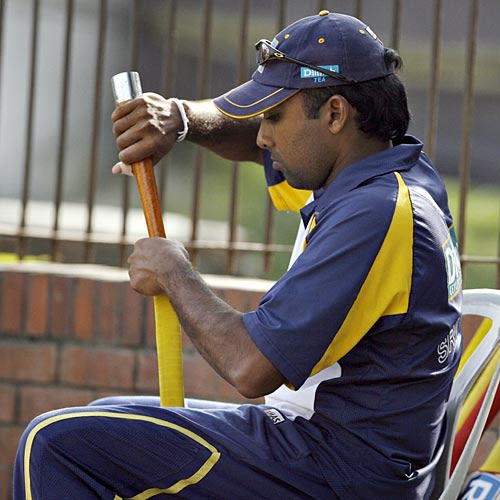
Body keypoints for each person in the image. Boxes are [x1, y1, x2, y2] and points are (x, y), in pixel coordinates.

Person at [14, 10, 462, 499]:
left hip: (331, 468)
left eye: (273, 116)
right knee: (102, 419)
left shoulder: (374, 214)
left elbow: (251, 366)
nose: (263, 135)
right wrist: (181, 120)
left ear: (335, 114)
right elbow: (255, 145)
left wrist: (174, 271)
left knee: (55, 443)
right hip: (322, 450)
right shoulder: (389, 175)